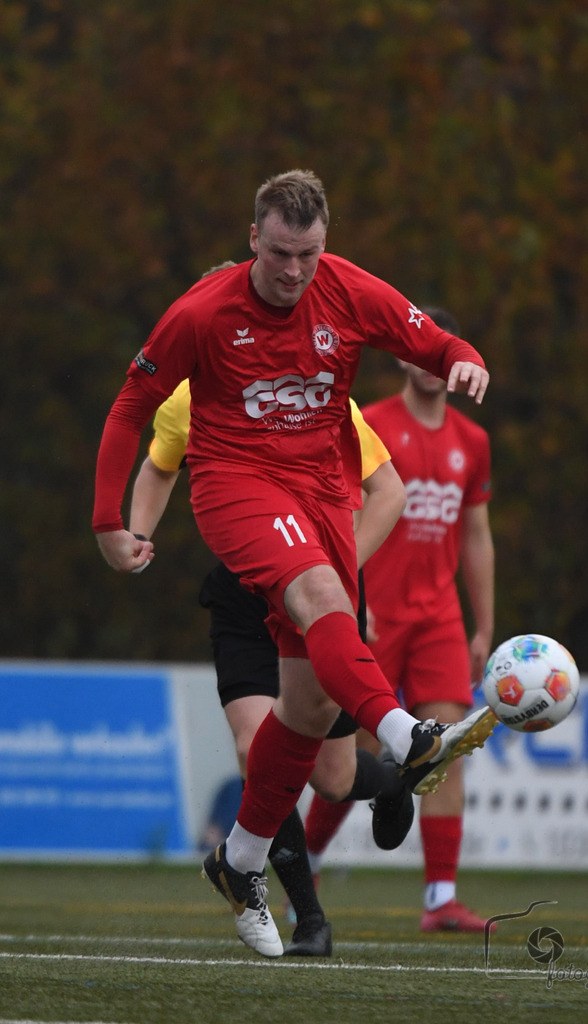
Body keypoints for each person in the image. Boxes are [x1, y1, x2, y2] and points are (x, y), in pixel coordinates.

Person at [92, 169, 495, 958]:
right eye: (279, 252)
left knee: (308, 713)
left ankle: (239, 861)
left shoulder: (344, 289)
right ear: (253, 239)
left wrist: (463, 358)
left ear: (324, 243)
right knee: (318, 595)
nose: (292, 270)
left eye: (307, 253)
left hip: (319, 494)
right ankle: (407, 734)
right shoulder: (202, 312)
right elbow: (130, 409)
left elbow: (428, 339)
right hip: (238, 487)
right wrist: (110, 522)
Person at [129, 376, 415, 957]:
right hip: (242, 600)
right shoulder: (189, 395)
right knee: (253, 746)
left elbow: (389, 490)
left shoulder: (315, 385)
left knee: (333, 778)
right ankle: (308, 918)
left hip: (315, 602)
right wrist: (136, 534)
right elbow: (159, 466)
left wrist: (336, 579)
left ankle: (391, 779)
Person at [303, 306, 497, 933]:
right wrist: (347, 603)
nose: (431, 364)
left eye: (441, 354)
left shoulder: (473, 442)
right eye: (421, 351)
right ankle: (298, 872)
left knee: (448, 750)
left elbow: (476, 536)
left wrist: (482, 627)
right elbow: (342, 513)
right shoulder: (372, 424)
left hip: (439, 618)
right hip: (374, 615)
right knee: (352, 755)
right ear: (403, 357)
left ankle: (440, 898)